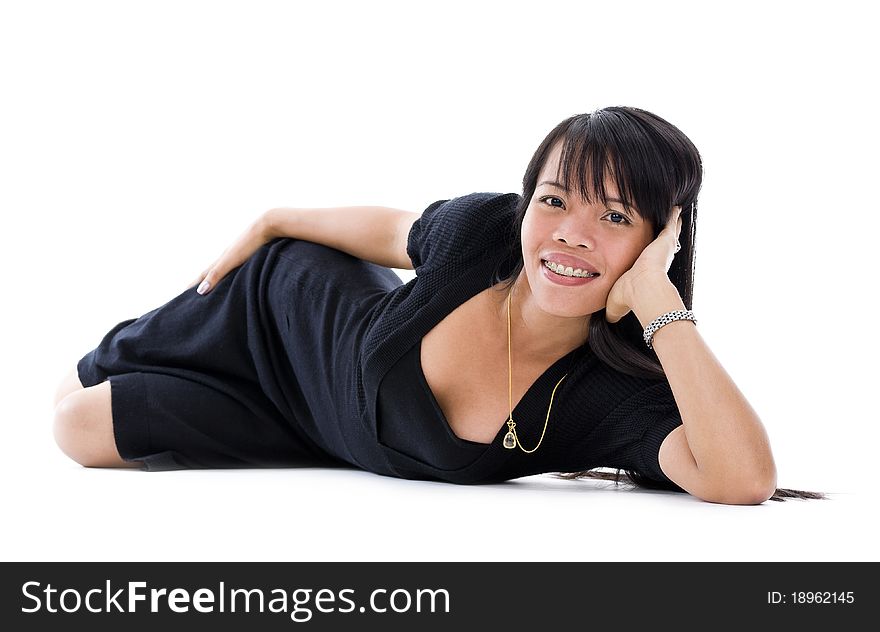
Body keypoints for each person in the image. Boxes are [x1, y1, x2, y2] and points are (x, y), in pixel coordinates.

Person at [53, 106, 824, 504]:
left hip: (312, 429)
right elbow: (391, 230)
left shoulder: (615, 396)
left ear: (661, 240)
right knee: (71, 404)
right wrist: (274, 220)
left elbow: (741, 481)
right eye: (554, 200)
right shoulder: (480, 232)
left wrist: (659, 302)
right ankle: (110, 352)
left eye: (616, 217)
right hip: (287, 310)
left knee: (82, 432)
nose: (571, 235)